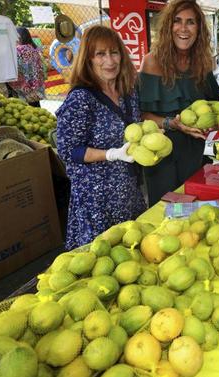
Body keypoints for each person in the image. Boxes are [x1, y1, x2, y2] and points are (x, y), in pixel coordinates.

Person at [56, 25, 146, 250]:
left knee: (133, 256)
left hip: (127, 191)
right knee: (101, 263)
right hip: (96, 199)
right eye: (100, 54)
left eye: (114, 52)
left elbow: (132, 128)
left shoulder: (128, 91)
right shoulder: (81, 99)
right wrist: (111, 154)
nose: (110, 61)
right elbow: (68, 150)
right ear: (88, 59)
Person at [138, 0, 219, 206]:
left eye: (191, 22)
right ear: (168, 27)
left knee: (191, 209)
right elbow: (141, 115)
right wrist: (171, 123)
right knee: (164, 211)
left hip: (193, 150)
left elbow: (216, 106)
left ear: (199, 29)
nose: (183, 28)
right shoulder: (151, 62)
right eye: (177, 21)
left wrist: (212, 122)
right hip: (160, 154)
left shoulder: (203, 63)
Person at [8, 27, 46, 107]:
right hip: (36, 91)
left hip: (22, 92)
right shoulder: (34, 50)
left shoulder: (18, 50)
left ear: (18, 37)